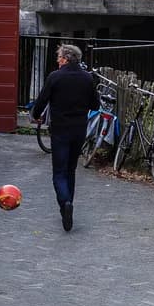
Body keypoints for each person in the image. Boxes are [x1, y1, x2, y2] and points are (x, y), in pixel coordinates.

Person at [30, 43, 99, 232]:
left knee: (59, 172)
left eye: (59, 57)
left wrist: (36, 114)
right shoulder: (87, 78)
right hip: (79, 129)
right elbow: (95, 104)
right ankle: (69, 205)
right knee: (70, 170)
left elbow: (42, 100)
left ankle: (65, 203)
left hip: (60, 129)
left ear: (66, 58)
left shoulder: (55, 77)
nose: (58, 61)